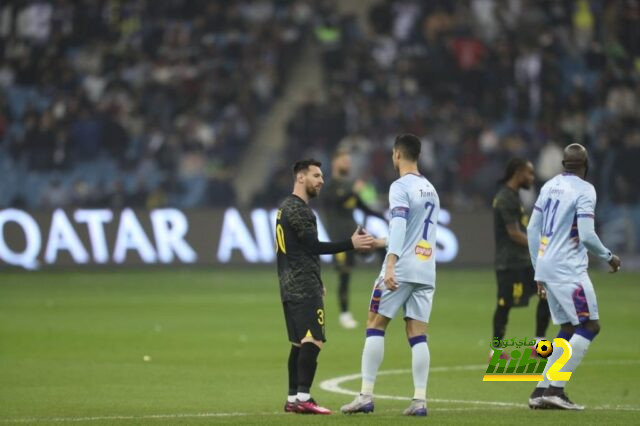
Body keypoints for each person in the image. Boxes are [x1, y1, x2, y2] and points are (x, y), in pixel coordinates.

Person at [341, 134, 439, 416]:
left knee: (375, 324)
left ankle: (365, 396)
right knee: (418, 333)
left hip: (402, 267)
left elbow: (399, 225)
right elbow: (415, 232)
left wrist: (392, 262)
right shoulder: (430, 189)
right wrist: (380, 242)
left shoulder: (400, 186)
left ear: (397, 154)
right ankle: (420, 401)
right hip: (426, 269)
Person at [526, 143, 621, 410]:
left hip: (546, 264)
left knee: (568, 328)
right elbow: (588, 235)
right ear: (586, 167)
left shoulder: (549, 186)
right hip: (568, 269)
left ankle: (540, 390)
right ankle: (556, 389)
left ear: (563, 165)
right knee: (590, 326)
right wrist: (609, 256)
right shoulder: (585, 190)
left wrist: (538, 268)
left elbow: (533, 229)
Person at [276, 159, 374, 415]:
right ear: (300, 177)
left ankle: (293, 398)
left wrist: (317, 281)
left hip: (291, 284)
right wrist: (351, 244)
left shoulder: (285, 208)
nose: (321, 180)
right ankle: (304, 398)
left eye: (322, 176)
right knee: (314, 339)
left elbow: (302, 251)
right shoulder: (299, 209)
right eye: (316, 175)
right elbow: (314, 246)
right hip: (301, 285)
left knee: (299, 343)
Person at [492, 158, 550, 355]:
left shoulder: (514, 196)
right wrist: (541, 247)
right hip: (509, 263)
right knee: (504, 305)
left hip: (524, 261)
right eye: (529, 173)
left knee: (547, 292)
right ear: (518, 172)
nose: (532, 178)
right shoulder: (505, 198)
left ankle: (539, 345)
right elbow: (514, 233)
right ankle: (496, 350)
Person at [322, 149, 385, 329]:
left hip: (355, 232)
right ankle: (344, 314)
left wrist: (385, 216)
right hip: (339, 238)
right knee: (344, 274)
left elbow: (363, 207)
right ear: (335, 163)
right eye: (344, 161)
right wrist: (352, 190)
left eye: (348, 161)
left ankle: (386, 294)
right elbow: (334, 201)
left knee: (382, 248)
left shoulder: (349, 186)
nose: (348, 164)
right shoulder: (329, 185)